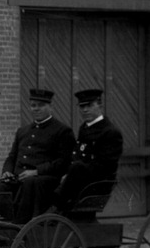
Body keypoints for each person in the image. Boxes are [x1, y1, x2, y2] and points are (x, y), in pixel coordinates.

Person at [0, 87, 75, 223]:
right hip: (18, 180)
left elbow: (63, 162)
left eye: (41, 105)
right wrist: (7, 171)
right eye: (33, 105)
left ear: (50, 107)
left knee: (30, 183)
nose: (36, 109)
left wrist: (36, 171)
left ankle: (18, 224)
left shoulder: (62, 131)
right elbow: (12, 156)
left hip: (44, 182)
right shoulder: (23, 131)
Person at [53, 88, 124, 216]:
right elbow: (77, 154)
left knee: (76, 167)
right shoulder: (84, 128)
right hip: (81, 178)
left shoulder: (110, 132)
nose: (85, 110)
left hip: (97, 183)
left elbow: (105, 167)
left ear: (100, 105)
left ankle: (56, 206)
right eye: (82, 107)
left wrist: (73, 173)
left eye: (89, 106)